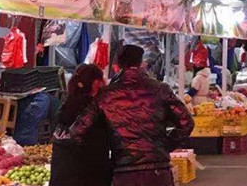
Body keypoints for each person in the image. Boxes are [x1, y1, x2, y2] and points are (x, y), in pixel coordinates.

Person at [63, 44, 194, 186]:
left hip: (124, 172)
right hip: (158, 171)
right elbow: (187, 122)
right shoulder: (160, 89)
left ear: (117, 65)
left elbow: (77, 130)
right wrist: (164, 145)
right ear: (141, 63)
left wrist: (100, 156)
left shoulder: (105, 95)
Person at [50, 64, 111, 186]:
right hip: (87, 176)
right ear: (96, 83)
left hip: (60, 176)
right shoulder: (96, 109)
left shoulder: (66, 105)